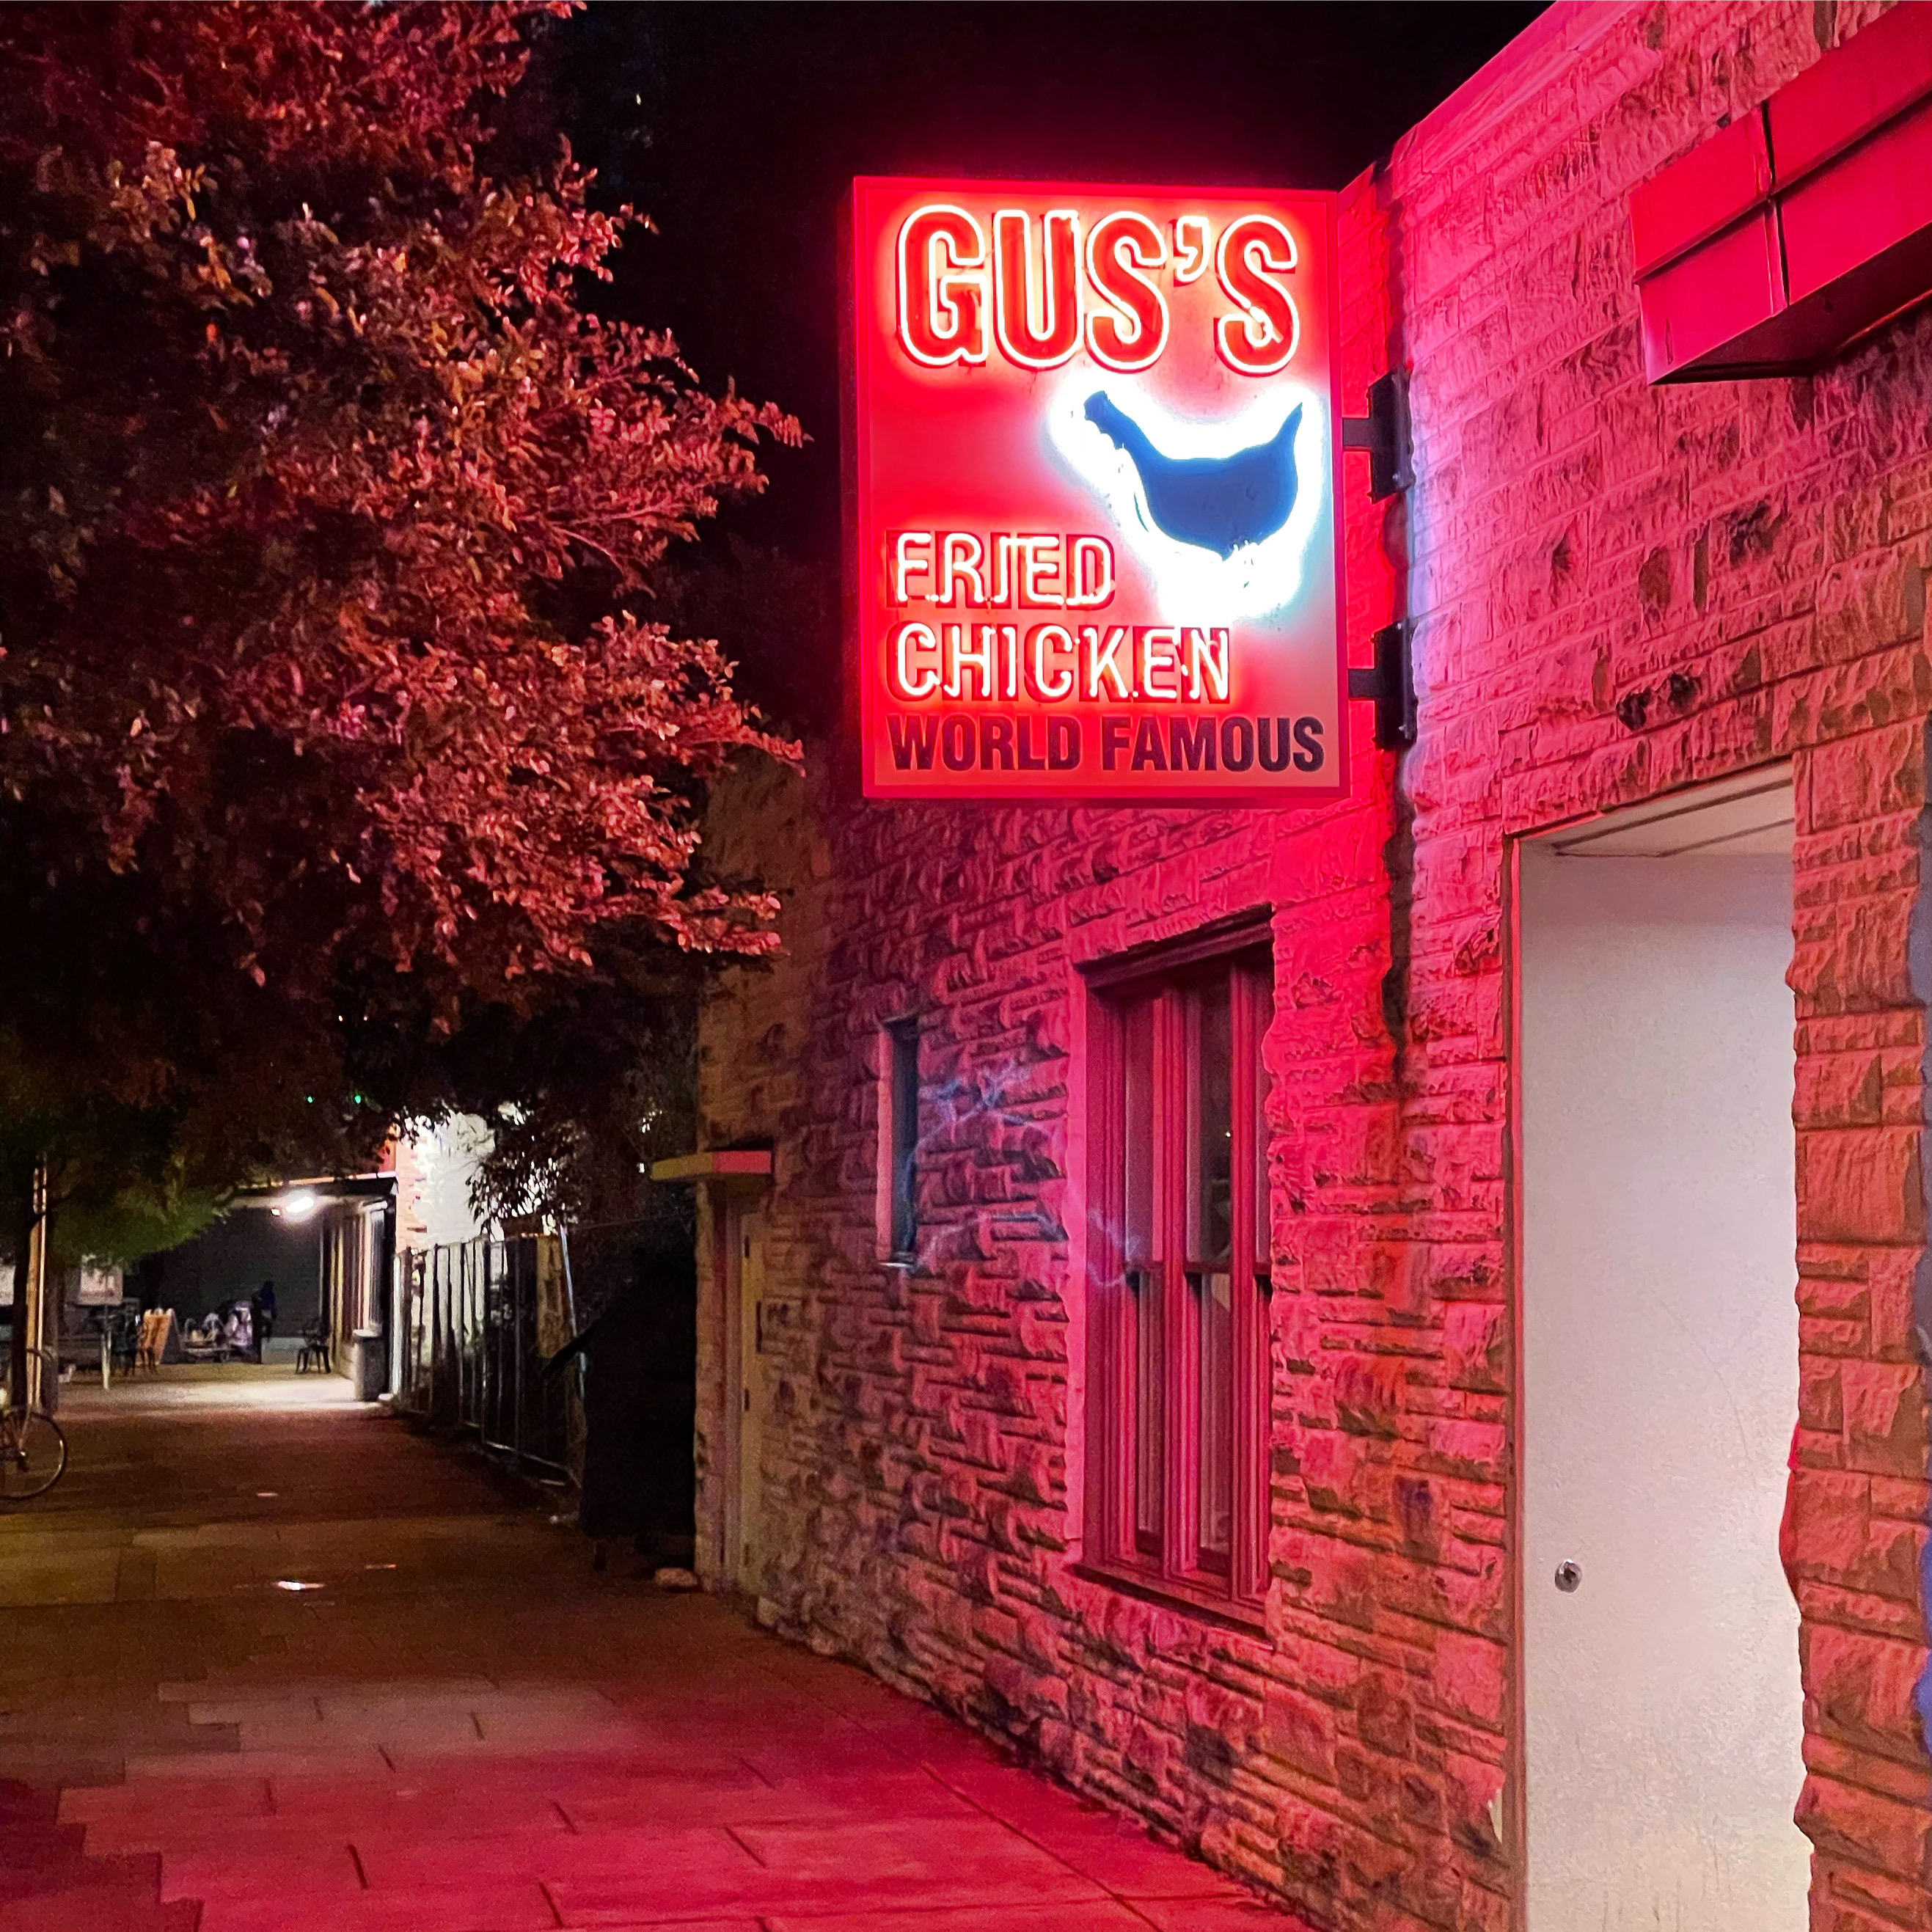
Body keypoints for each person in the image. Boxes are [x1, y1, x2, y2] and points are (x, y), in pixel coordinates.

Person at [255, 1279, 277, 1353]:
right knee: (267, 1327)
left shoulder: (262, 1293)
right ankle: (267, 1338)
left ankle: (265, 1339)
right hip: (265, 1313)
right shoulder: (269, 1294)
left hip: (264, 1313)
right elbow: (272, 1305)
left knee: (266, 1328)